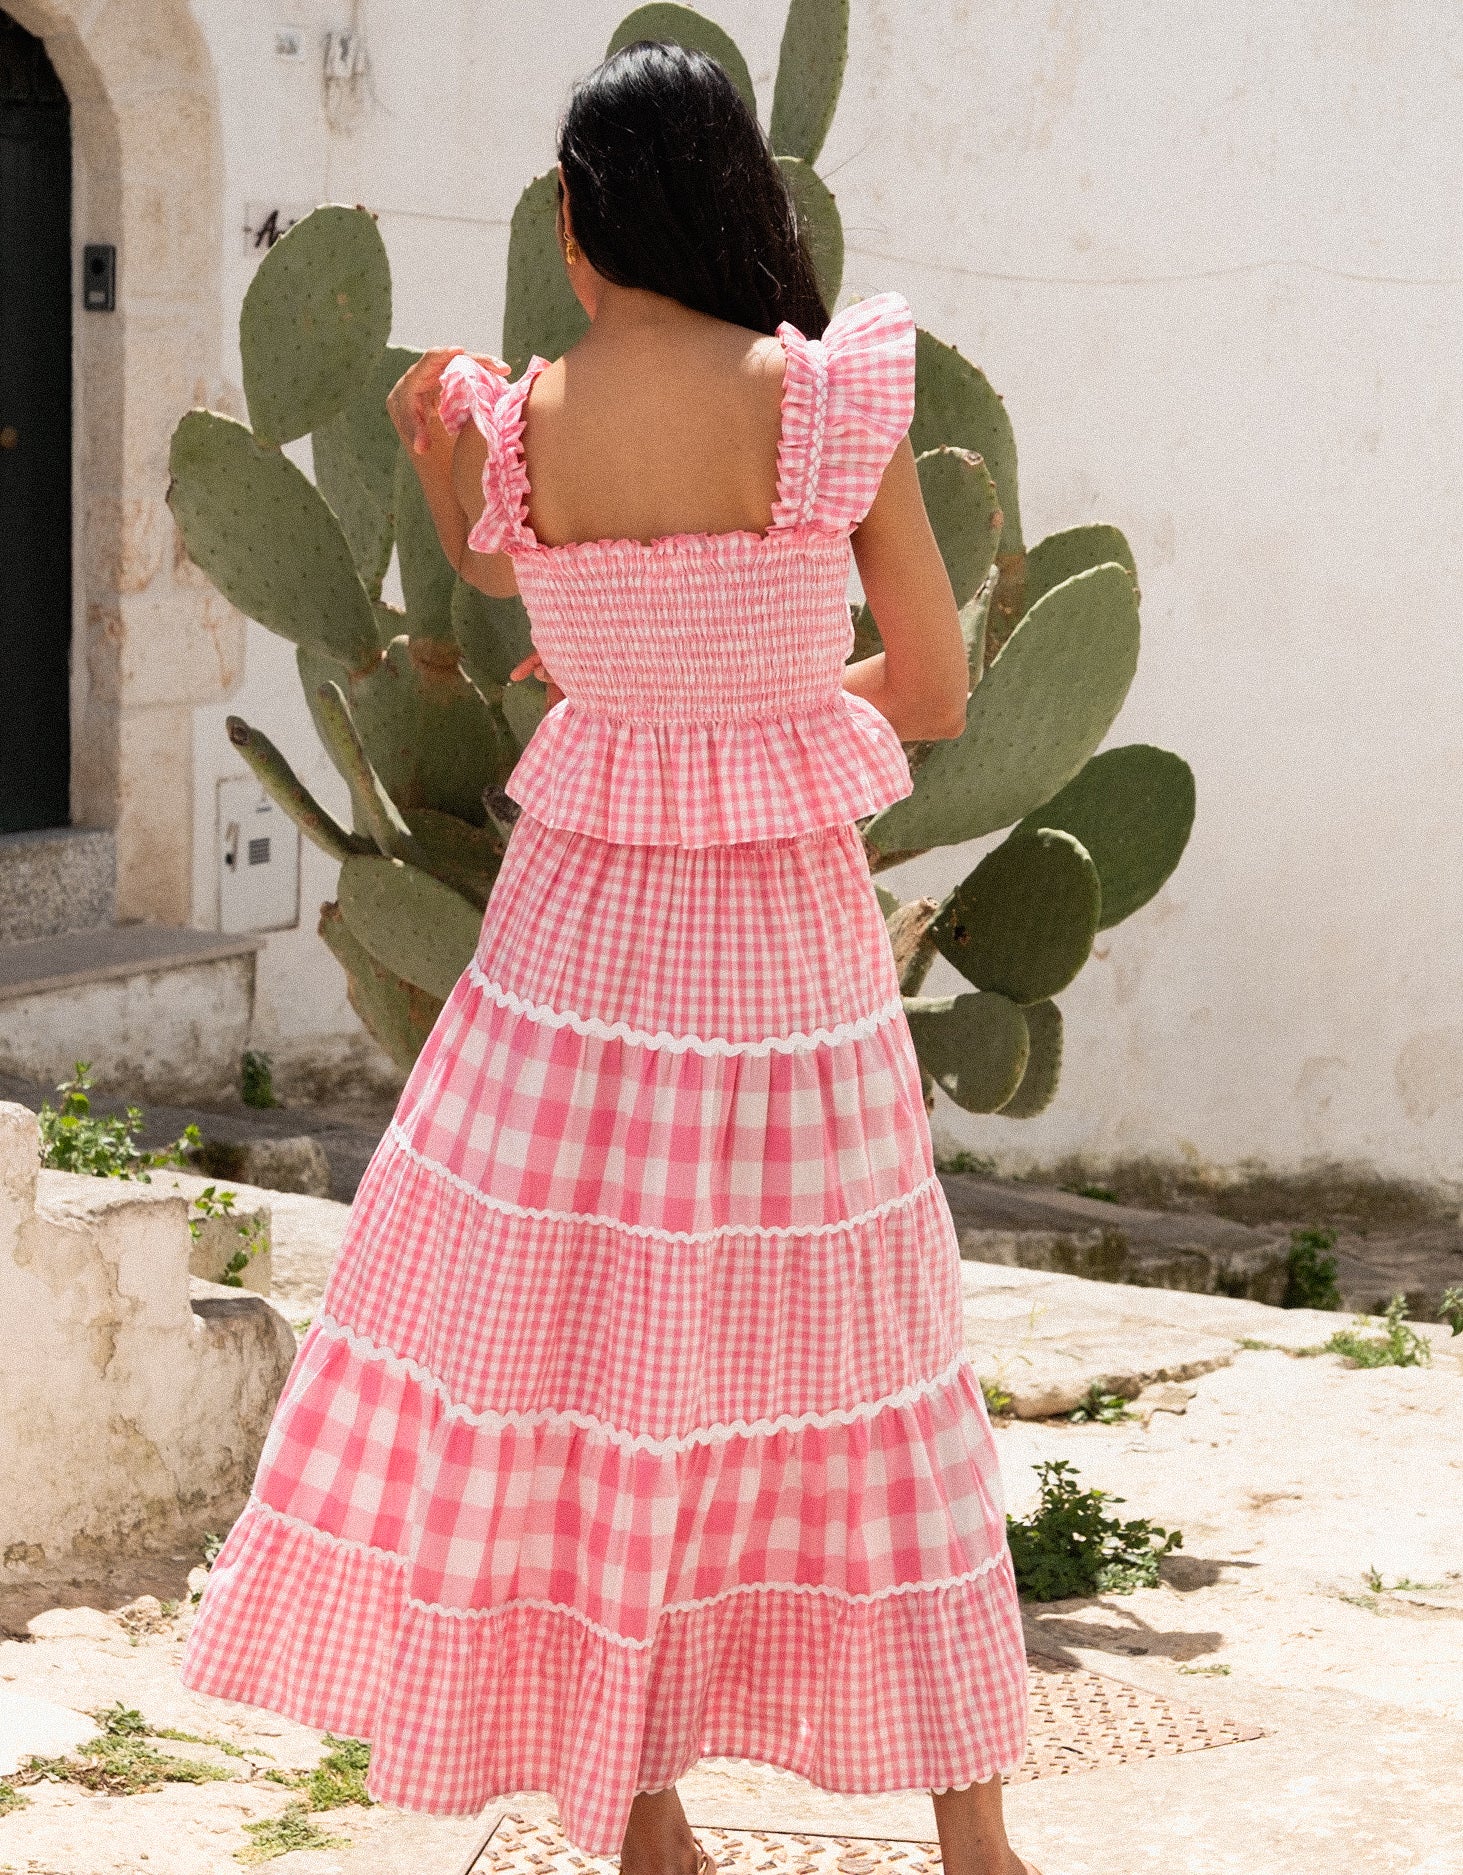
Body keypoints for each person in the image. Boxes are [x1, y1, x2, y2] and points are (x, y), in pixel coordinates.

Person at [180, 40, 1038, 1875]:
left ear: (574, 224)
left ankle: (648, 1830)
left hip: (578, 960)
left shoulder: (526, 428)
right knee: (866, 1352)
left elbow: (499, 590)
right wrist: (768, 716)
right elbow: (946, 690)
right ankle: (976, 1842)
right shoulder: (830, 403)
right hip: (786, 967)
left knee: (594, 1365)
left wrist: (446, 462)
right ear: (742, 202)